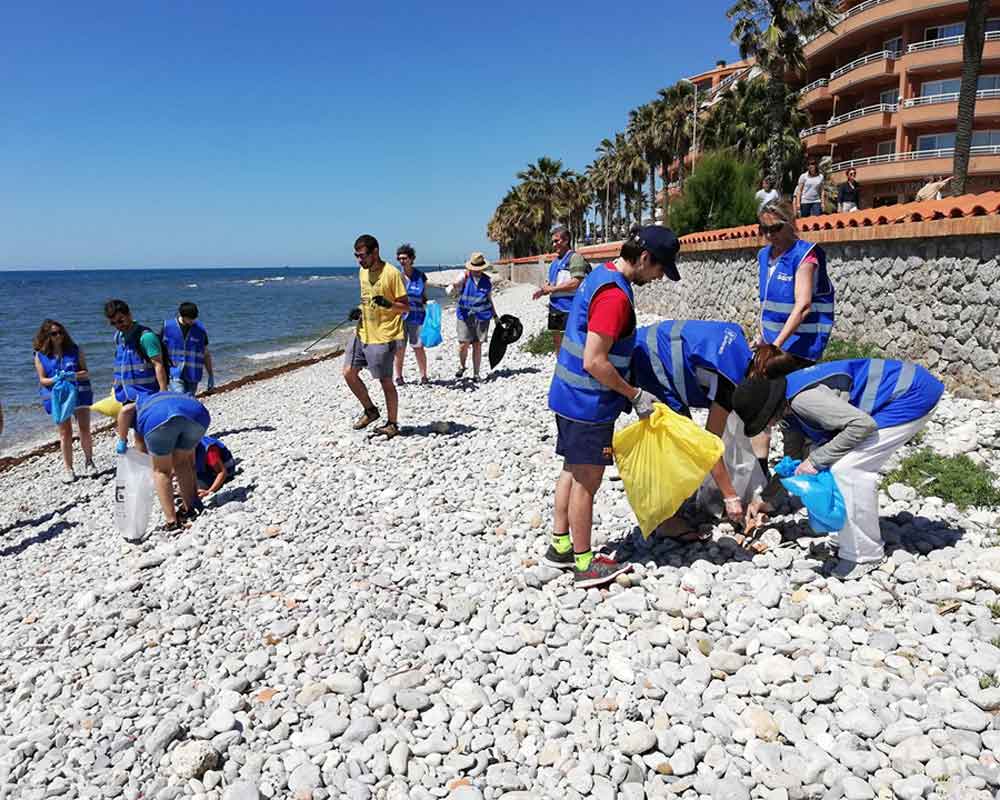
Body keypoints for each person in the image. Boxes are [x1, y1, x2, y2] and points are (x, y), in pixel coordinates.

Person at [543, 226, 680, 588]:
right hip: (588, 402)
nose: (660, 277)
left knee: (572, 468)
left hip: (566, 394)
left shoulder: (600, 273)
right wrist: (634, 394)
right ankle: (585, 563)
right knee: (588, 480)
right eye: (660, 268)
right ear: (646, 258)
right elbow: (594, 361)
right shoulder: (615, 298)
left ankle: (560, 546)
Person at [733, 359, 944, 580]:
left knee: (848, 469)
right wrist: (765, 498)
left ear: (771, 409)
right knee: (829, 459)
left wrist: (815, 461)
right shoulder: (787, 408)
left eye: (765, 421)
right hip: (900, 394)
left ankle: (866, 554)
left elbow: (862, 425)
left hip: (912, 394)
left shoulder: (802, 401)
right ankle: (848, 535)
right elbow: (792, 460)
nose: (769, 426)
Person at [631, 320, 754, 530]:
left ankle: (675, 506)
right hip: (648, 360)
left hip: (655, 346)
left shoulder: (741, 350)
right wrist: (730, 496)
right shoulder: (728, 388)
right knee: (673, 437)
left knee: (683, 435)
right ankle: (664, 522)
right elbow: (708, 445)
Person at [116, 391, 210, 533]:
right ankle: (191, 507)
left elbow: (125, 410)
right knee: (183, 463)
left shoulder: (138, 402)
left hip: (159, 419)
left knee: (161, 471)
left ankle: (171, 521)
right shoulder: (165, 394)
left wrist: (122, 440)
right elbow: (191, 462)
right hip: (197, 414)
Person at [343, 234, 409, 438]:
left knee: (385, 381)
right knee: (348, 373)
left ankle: (392, 423)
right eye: (356, 256)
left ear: (375, 252)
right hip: (362, 332)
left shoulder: (392, 274)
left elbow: (406, 307)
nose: (359, 260)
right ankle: (370, 410)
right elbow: (366, 301)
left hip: (384, 335)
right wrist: (358, 311)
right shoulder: (362, 273)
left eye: (362, 256)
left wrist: (388, 304)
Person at [33, 320, 97, 482]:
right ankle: (68, 468)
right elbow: (43, 380)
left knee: (84, 428)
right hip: (59, 397)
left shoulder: (75, 350)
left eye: (60, 332)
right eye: (54, 334)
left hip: (79, 393)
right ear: (47, 336)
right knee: (65, 433)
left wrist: (73, 375)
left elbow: (85, 372)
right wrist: (56, 379)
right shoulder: (40, 356)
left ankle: (89, 461)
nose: (58, 336)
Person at [532, 225, 590, 351]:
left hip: (571, 307)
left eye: (557, 241)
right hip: (556, 308)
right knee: (558, 342)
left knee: (573, 342)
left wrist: (552, 289)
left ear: (566, 240)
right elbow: (552, 283)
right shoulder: (554, 262)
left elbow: (576, 282)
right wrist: (542, 291)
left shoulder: (575, 258)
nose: (554, 244)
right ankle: (561, 367)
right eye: (553, 241)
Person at [104, 299, 169, 403]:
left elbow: (158, 364)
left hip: (147, 394)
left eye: (121, 321)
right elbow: (121, 364)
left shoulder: (146, 337)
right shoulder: (118, 337)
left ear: (129, 315)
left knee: (126, 413)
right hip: (125, 395)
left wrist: (163, 391)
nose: (118, 326)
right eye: (113, 323)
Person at [448, 252, 497, 381]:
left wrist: (495, 316)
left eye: (479, 269)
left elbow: (489, 299)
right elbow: (455, 285)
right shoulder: (464, 276)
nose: (476, 271)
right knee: (463, 344)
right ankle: (462, 366)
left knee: (477, 345)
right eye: (474, 268)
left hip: (482, 317)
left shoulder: (487, 281)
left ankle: (476, 374)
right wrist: (454, 286)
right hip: (464, 316)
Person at [393, 243, 429, 385]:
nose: (402, 261)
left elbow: (424, 296)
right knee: (399, 348)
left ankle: (424, 376)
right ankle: (399, 377)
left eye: (405, 258)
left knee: (418, 347)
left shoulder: (421, 276)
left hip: (417, 316)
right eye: (399, 258)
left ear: (412, 259)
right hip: (400, 317)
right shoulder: (396, 276)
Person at [161, 302, 215, 395]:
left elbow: (205, 353)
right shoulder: (168, 327)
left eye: (194, 318)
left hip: (193, 374)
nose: (192, 321)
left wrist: (210, 374)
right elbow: (159, 350)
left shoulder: (200, 329)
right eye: (190, 319)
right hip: (175, 372)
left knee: (190, 399)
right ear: (181, 315)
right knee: (180, 396)